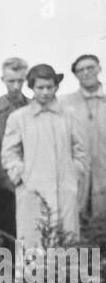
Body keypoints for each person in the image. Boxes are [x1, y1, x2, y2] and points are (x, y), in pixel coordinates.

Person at [1, 65, 88, 247]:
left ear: (56, 87)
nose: (46, 92)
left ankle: (66, 275)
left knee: (66, 243)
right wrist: (21, 176)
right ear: (32, 87)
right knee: (34, 243)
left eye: (50, 87)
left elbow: (80, 151)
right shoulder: (19, 118)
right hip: (32, 190)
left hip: (65, 189)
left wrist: (74, 174)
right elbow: (9, 153)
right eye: (40, 87)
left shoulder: (69, 116)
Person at [61, 54, 106, 241]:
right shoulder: (64, 103)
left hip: (104, 173)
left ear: (99, 69)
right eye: (81, 70)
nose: (86, 73)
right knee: (78, 228)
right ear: (75, 75)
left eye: (90, 67)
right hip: (78, 176)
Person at [0, 57, 29, 261]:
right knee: (8, 241)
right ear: (2, 79)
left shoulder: (32, 108)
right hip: (2, 187)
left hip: (28, 184)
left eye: (20, 81)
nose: (15, 86)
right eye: (11, 81)